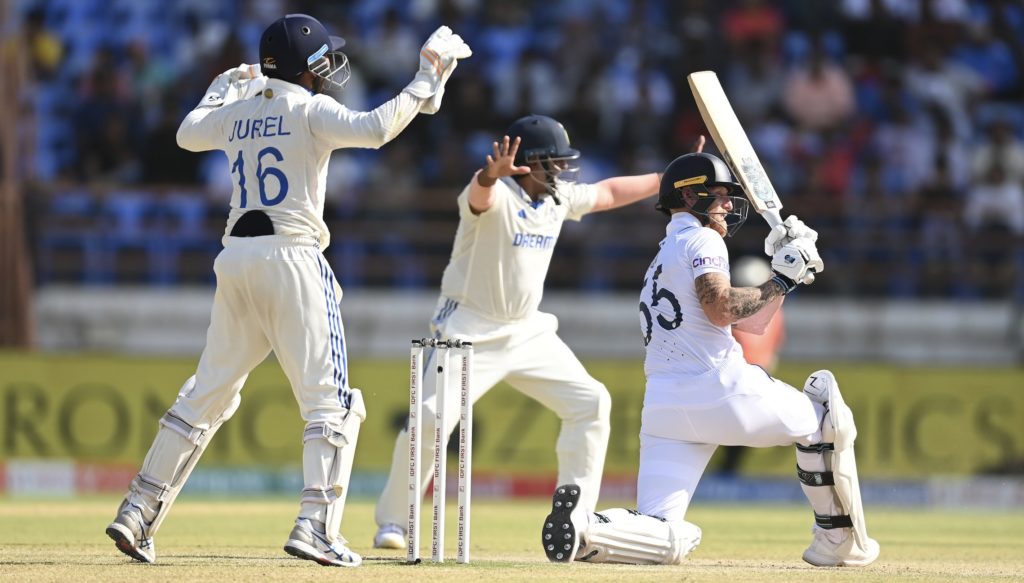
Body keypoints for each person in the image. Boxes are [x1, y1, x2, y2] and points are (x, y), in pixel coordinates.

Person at [104, 14, 472, 567]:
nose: (330, 66)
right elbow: (374, 130)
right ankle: (316, 525)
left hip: (236, 260)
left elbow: (186, 133)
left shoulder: (236, 112)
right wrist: (423, 79)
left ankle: (137, 510)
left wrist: (227, 82)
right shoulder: (310, 109)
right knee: (335, 404)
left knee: (206, 395)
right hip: (294, 259)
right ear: (309, 66)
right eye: (323, 58)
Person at [541, 152, 880, 567]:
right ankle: (838, 542)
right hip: (720, 387)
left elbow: (750, 323)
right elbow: (721, 307)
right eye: (716, 195)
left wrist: (783, 279)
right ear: (686, 196)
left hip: (664, 408)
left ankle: (587, 530)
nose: (726, 204)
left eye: (728, 196)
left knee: (663, 529)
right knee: (826, 416)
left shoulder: (663, 254)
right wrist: (782, 279)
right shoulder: (703, 239)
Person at [372, 114, 666, 549]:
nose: (563, 172)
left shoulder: (557, 198)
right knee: (432, 417)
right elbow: (478, 197)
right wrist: (490, 174)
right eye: (554, 164)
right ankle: (394, 522)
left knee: (591, 401)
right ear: (527, 164)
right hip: (468, 326)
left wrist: (666, 178)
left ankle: (579, 517)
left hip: (528, 330)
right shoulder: (495, 195)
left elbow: (607, 193)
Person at [717, 255, 786, 476]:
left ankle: (727, 474)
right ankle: (726, 473)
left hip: (745, 380)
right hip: (744, 380)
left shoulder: (771, 315)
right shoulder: (774, 313)